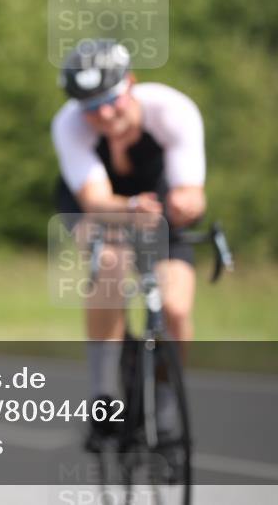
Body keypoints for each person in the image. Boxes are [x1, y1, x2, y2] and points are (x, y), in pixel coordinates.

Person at [51, 39, 206, 450]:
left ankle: (168, 401)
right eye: (89, 106)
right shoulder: (69, 125)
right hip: (102, 206)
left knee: (175, 306)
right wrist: (129, 208)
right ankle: (103, 397)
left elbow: (192, 192)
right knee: (112, 263)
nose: (102, 114)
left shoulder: (173, 111)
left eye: (110, 100)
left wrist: (185, 203)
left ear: (131, 84)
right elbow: (95, 201)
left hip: (158, 202)